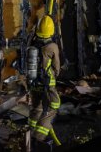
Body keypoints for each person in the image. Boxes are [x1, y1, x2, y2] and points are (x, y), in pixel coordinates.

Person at [28, 16, 61, 144]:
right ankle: (38, 136)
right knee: (53, 107)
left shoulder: (32, 43)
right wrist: (54, 74)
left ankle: (29, 133)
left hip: (33, 83)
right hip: (47, 84)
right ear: (51, 31)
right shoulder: (52, 47)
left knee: (37, 108)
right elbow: (57, 68)